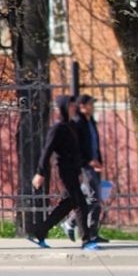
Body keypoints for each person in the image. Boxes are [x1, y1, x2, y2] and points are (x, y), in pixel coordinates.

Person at [28, 96, 97, 250]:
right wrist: (40, 172)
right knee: (80, 203)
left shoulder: (70, 126)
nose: (74, 108)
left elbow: (76, 151)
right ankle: (87, 240)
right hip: (64, 170)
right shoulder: (58, 128)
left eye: (74, 105)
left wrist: (82, 166)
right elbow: (47, 150)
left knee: (68, 204)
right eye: (71, 105)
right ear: (64, 108)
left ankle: (39, 231)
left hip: (73, 170)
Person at [71, 93, 107, 244]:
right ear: (82, 106)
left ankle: (92, 232)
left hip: (94, 164)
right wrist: (88, 161)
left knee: (93, 198)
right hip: (85, 166)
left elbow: (94, 144)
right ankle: (73, 223)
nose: (93, 107)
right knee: (93, 198)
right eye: (90, 104)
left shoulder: (90, 121)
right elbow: (76, 147)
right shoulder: (77, 123)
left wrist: (99, 161)